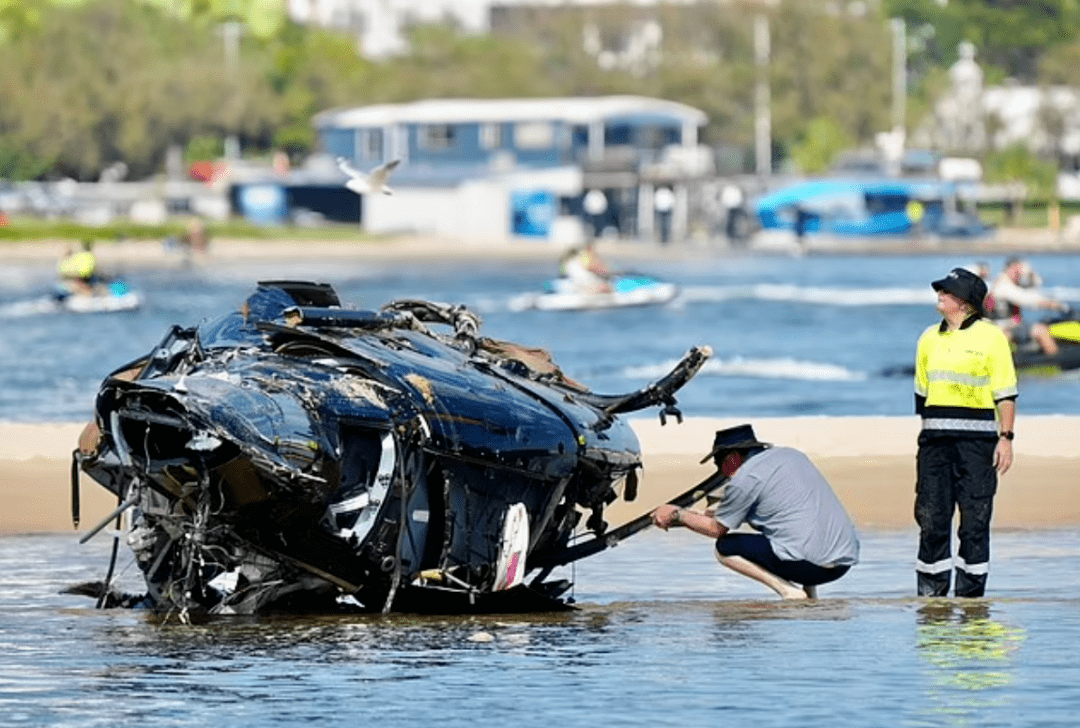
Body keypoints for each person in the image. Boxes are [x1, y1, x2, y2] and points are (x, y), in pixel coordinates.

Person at [651, 424, 860, 600]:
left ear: (732, 458)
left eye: (718, 462)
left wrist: (678, 514)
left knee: (725, 547)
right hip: (842, 562)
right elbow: (784, 511)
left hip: (813, 568)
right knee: (794, 532)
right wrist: (695, 516)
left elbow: (716, 530)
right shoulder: (791, 455)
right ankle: (810, 597)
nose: (719, 471)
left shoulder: (745, 479)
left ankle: (788, 592)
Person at [914, 267, 1017, 597]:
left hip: (977, 445)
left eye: (946, 291)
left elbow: (1006, 393)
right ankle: (932, 601)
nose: (940, 295)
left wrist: (1007, 438)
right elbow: (922, 395)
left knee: (974, 523)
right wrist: (929, 438)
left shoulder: (992, 338)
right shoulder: (928, 338)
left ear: (964, 302)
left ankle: (972, 603)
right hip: (934, 444)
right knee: (931, 521)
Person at [988, 257, 1069, 357]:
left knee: (1047, 325)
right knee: (1041, 330)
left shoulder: (1011, 282)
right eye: (1017, 270)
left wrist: (1030, 273)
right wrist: (1049, 303)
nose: (1020, 274)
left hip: (1010, 325)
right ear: (1010, 268)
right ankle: (1057, 362)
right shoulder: (1003, 284)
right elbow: (1024, 298)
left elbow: (1036, 286)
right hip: (1004, 327)